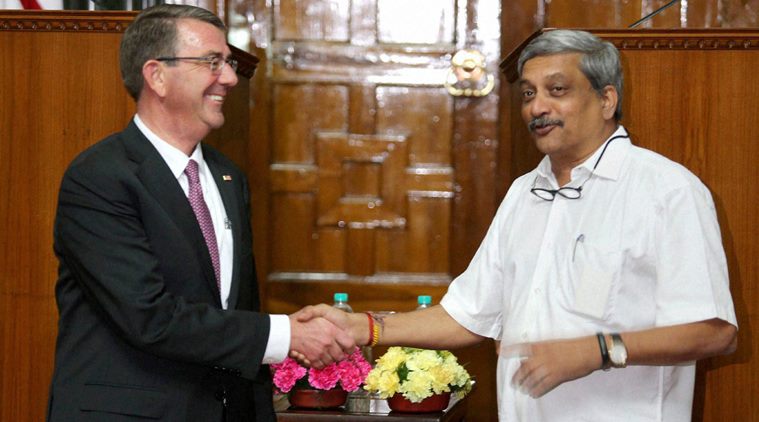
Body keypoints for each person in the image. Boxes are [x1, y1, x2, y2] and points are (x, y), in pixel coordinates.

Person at [298, 29, 738, 421]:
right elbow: (468, 315)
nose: (537, 108)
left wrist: (599, 350)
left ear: (607, 99)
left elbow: (714, 331)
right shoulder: (524, 192)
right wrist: (365, 328)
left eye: (557, 90)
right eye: (528, 94)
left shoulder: (667, 190)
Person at [47, 5, 354, 421]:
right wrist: (285, 334)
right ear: (156, 75)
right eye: (212, 62)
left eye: (227, 63)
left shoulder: (228, 177)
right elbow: (149, 317)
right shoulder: (100, 177)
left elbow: (231, 309)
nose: (229, 77)